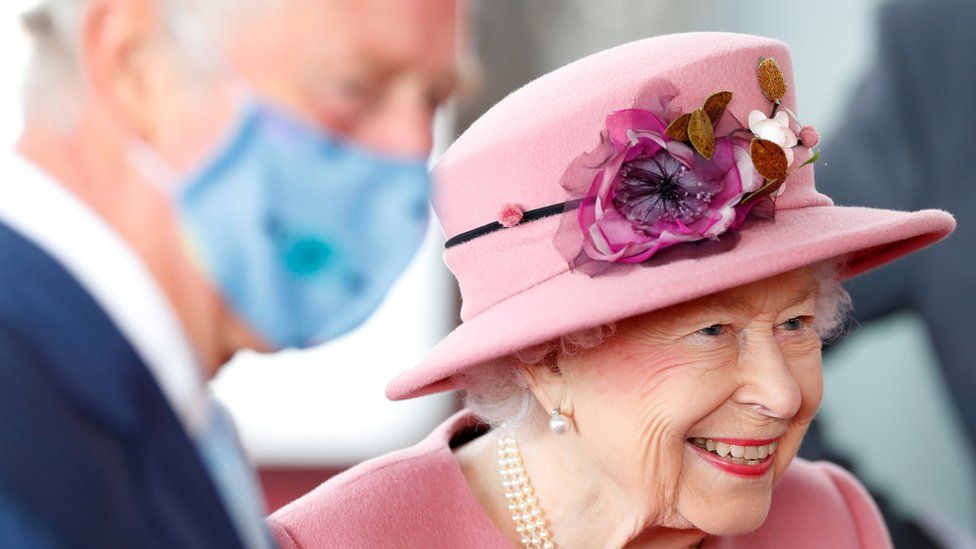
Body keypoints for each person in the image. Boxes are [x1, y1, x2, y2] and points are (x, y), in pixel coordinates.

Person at [266, 33, 954, 548]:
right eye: (713, 331)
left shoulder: (834, 524)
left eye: (797, 323)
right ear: (549, 359)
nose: (781, 393)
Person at [0, 0, 463, 547]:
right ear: (135, 66)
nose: (413, 149)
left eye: (432, 98)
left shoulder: (171, 418)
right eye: (352, 87)